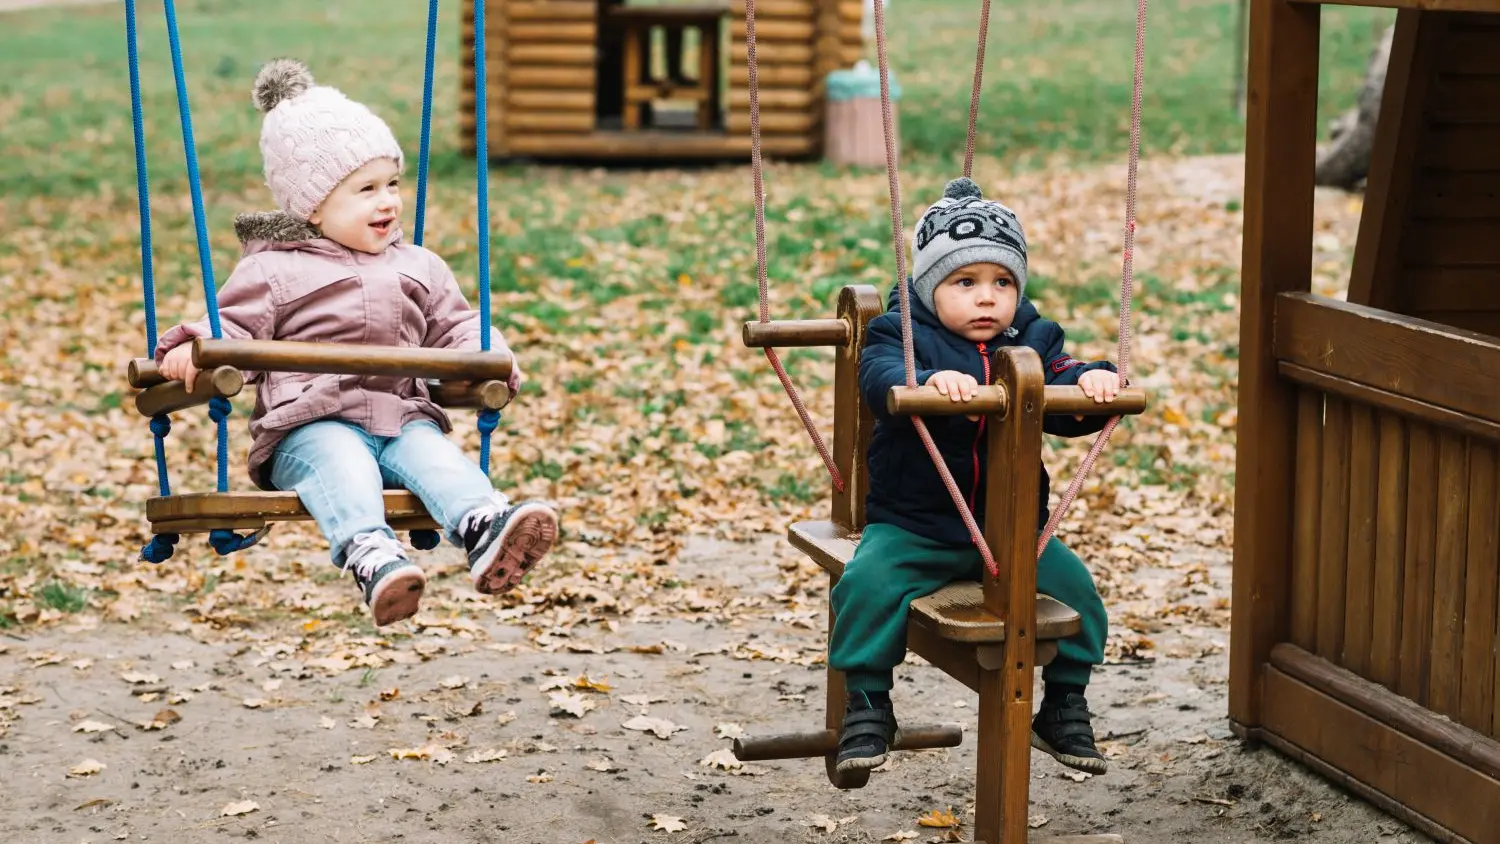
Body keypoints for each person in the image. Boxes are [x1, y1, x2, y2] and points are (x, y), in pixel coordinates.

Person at [156, 59, 557, 627]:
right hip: (308, 427)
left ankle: (485, 527)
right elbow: (231, 328)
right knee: (341, 460)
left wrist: (490, 352)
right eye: (365, 189)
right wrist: (193, 347)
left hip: (401, 418)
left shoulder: (420, 266)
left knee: (437, 456)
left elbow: (458, 326)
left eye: (392, 183)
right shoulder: (273, 271)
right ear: (312, 208)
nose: (388, 201)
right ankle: (373, 557)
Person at [829, 177, 1120, 775]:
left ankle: (1064, 706)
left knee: (1082, 596)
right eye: (966, 282)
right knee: (863, 586)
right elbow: (878, 376)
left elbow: (1063, 381)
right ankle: (867, 703)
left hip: (1013, 537)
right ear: (931, 287)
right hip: (915, 527)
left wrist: (1094, 382)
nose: (987, 298)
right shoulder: (904, 336)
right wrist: (926, 383)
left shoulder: (1032, 340)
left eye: (1003, 282)